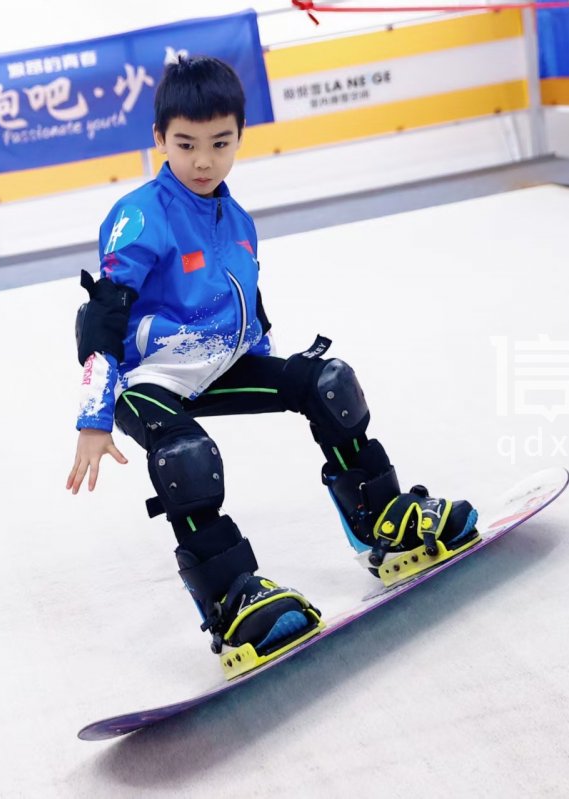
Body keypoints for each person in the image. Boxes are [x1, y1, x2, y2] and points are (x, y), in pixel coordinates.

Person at [65, 56, 478, 675]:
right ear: (159, 140)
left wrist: (276, 371)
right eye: (185, 145)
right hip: (150, 375)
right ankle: (232, 602)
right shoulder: (140, 215)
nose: (203, 161)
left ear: (238, 138)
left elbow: (245, 302)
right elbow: (102, 318)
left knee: (328, 383)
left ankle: (381, 520)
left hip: (220, 360)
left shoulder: (238, 219)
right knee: (187, 459)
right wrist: (95, 417)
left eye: (220, 144)